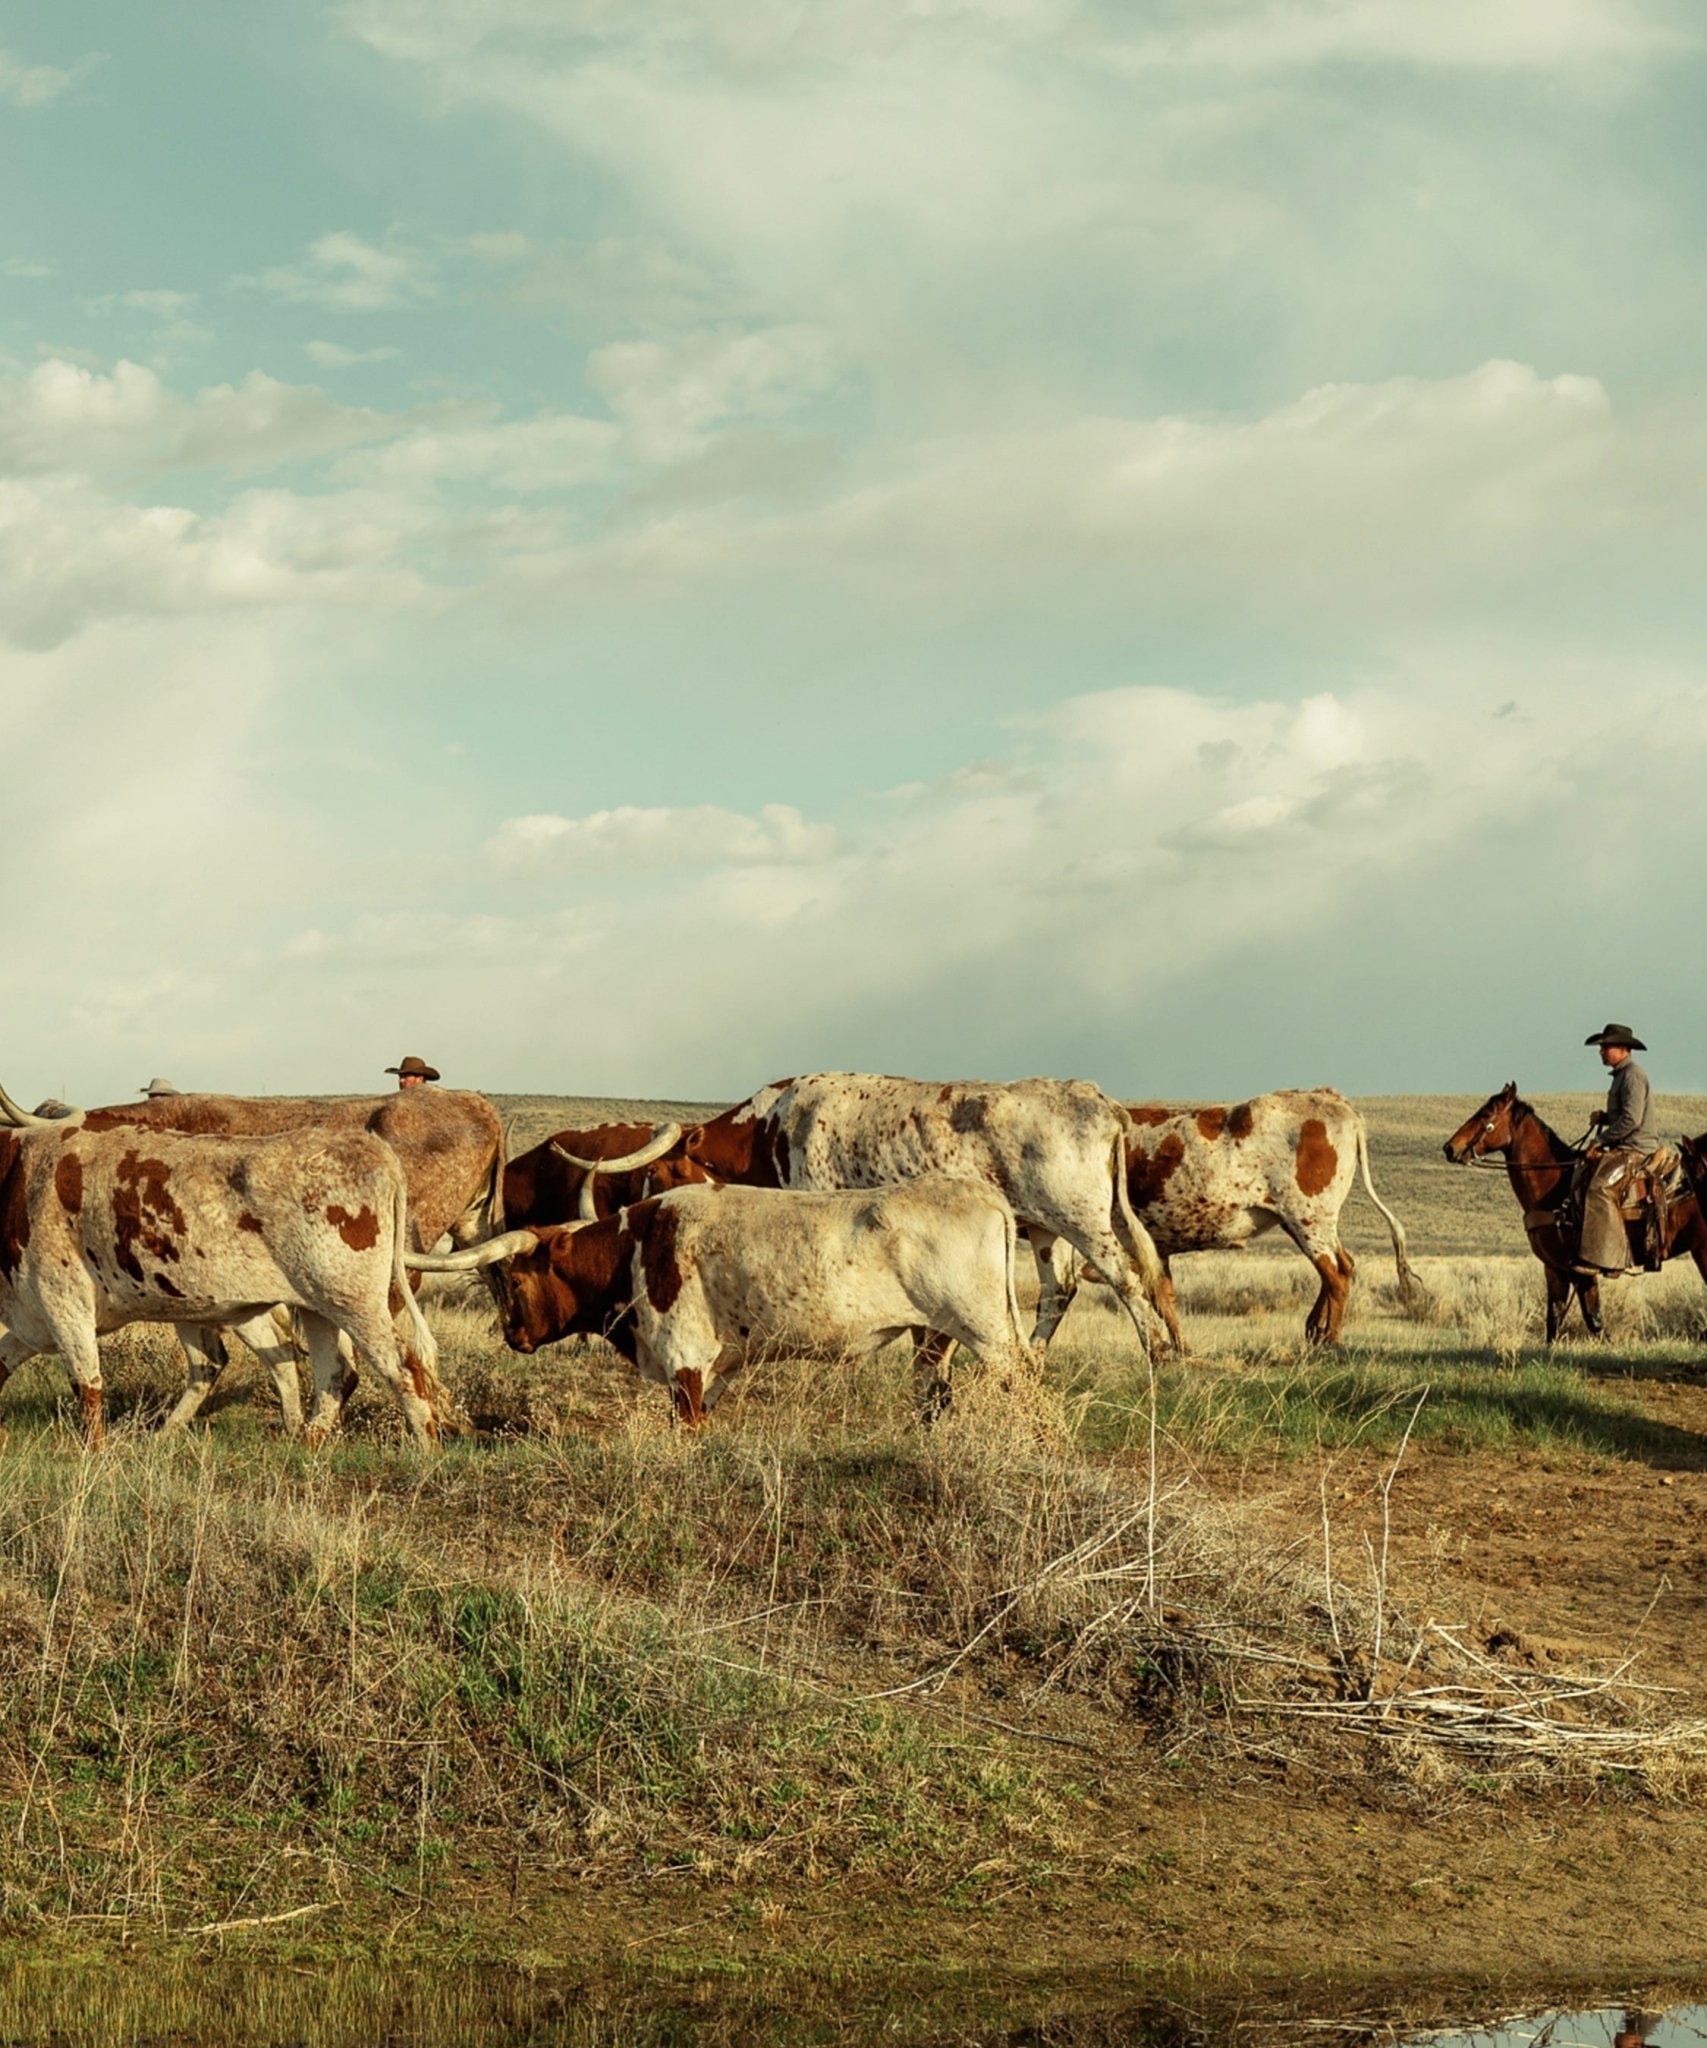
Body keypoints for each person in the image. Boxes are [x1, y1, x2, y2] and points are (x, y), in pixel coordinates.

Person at [1575, 1023, 1659, 1276]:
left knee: (1599, 1188)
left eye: (1605, 1047)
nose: (1601, 1052)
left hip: (1635, 1148)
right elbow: (1625, 1115)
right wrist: (1605, 1117)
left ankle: (1610, 1258)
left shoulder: (1633, 1075)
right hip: (1624, 1144)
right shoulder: (1622, 1075)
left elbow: (1632, 1120)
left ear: (1622, 1049)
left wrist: (1599, 1140)